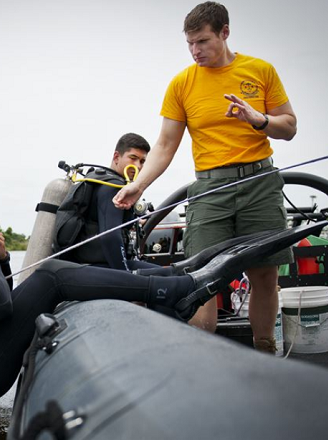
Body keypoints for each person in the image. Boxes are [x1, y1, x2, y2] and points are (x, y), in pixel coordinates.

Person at [0, 179, 311, 401]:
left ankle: (170, 282)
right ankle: (171, 290)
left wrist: (0, 258)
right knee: (52, 277)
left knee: (55, 277)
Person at [113, 2, 297, 353]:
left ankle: (266, 350)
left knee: (264, 275)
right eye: (190, 44)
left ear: (224, 33)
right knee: (203, 278)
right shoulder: (182, 83)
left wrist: (258, 120)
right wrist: (138, 184)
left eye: (203, 41)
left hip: (260, 182)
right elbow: (166, 144)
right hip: (211, 187)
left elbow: (289, 127)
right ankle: (203, 357)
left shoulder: (261, 70)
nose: (196, 51)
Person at [59, 133, 156, 271]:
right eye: (133, 158)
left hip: (88, 264)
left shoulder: (101, 179)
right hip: (99, 268)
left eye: (142, 161)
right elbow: (110, 237)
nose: (138, 166)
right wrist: (127, 276)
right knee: (171, 276)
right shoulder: (113, 186)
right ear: (116, 157)